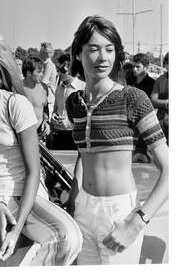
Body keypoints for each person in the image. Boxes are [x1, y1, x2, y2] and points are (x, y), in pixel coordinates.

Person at [0, 29, 82, 267]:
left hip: (27, 192)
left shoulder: (16, 106)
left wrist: (16, 229)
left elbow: (33, 171)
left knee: (68, 237)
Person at [66, 15, 168, 265]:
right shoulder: (74, 104)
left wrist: (137, 221)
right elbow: (85, 153)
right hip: (82, 210)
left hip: (119, 212)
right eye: (93, 49)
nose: (103, 57)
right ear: (78, 53)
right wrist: (73, 195)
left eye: (109, 49)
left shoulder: (133, 99)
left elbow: (171, 169)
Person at [49, 54, 85, 150]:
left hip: (76, 136)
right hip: (58, 135)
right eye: (58, 70)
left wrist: (69, 124)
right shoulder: (59, 88)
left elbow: (87, 117)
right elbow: (56, 109)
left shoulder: (83, 88)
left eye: (63, 71)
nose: (59, 73)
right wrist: (53, 117)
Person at [22, 55, 51, 140]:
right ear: (28, 73)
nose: (42, 75)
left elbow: (45, 108)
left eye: (42, 72)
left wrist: (46, 122)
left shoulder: (44, 88)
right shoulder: (16, 89)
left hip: (40, 137)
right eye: (39, 72)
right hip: (22, 138)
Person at [150, 53, 169, 143]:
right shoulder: (160, 80)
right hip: (163, 121)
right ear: (165, 65)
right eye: (168, 63)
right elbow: (153, 100)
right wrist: (166, 103)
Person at [40, 42, 58, 117]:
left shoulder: (49, 65)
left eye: (41, 51)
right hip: (46, 98)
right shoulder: (45, 64)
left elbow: (43, 81)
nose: (40, 52)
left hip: (49, 99)